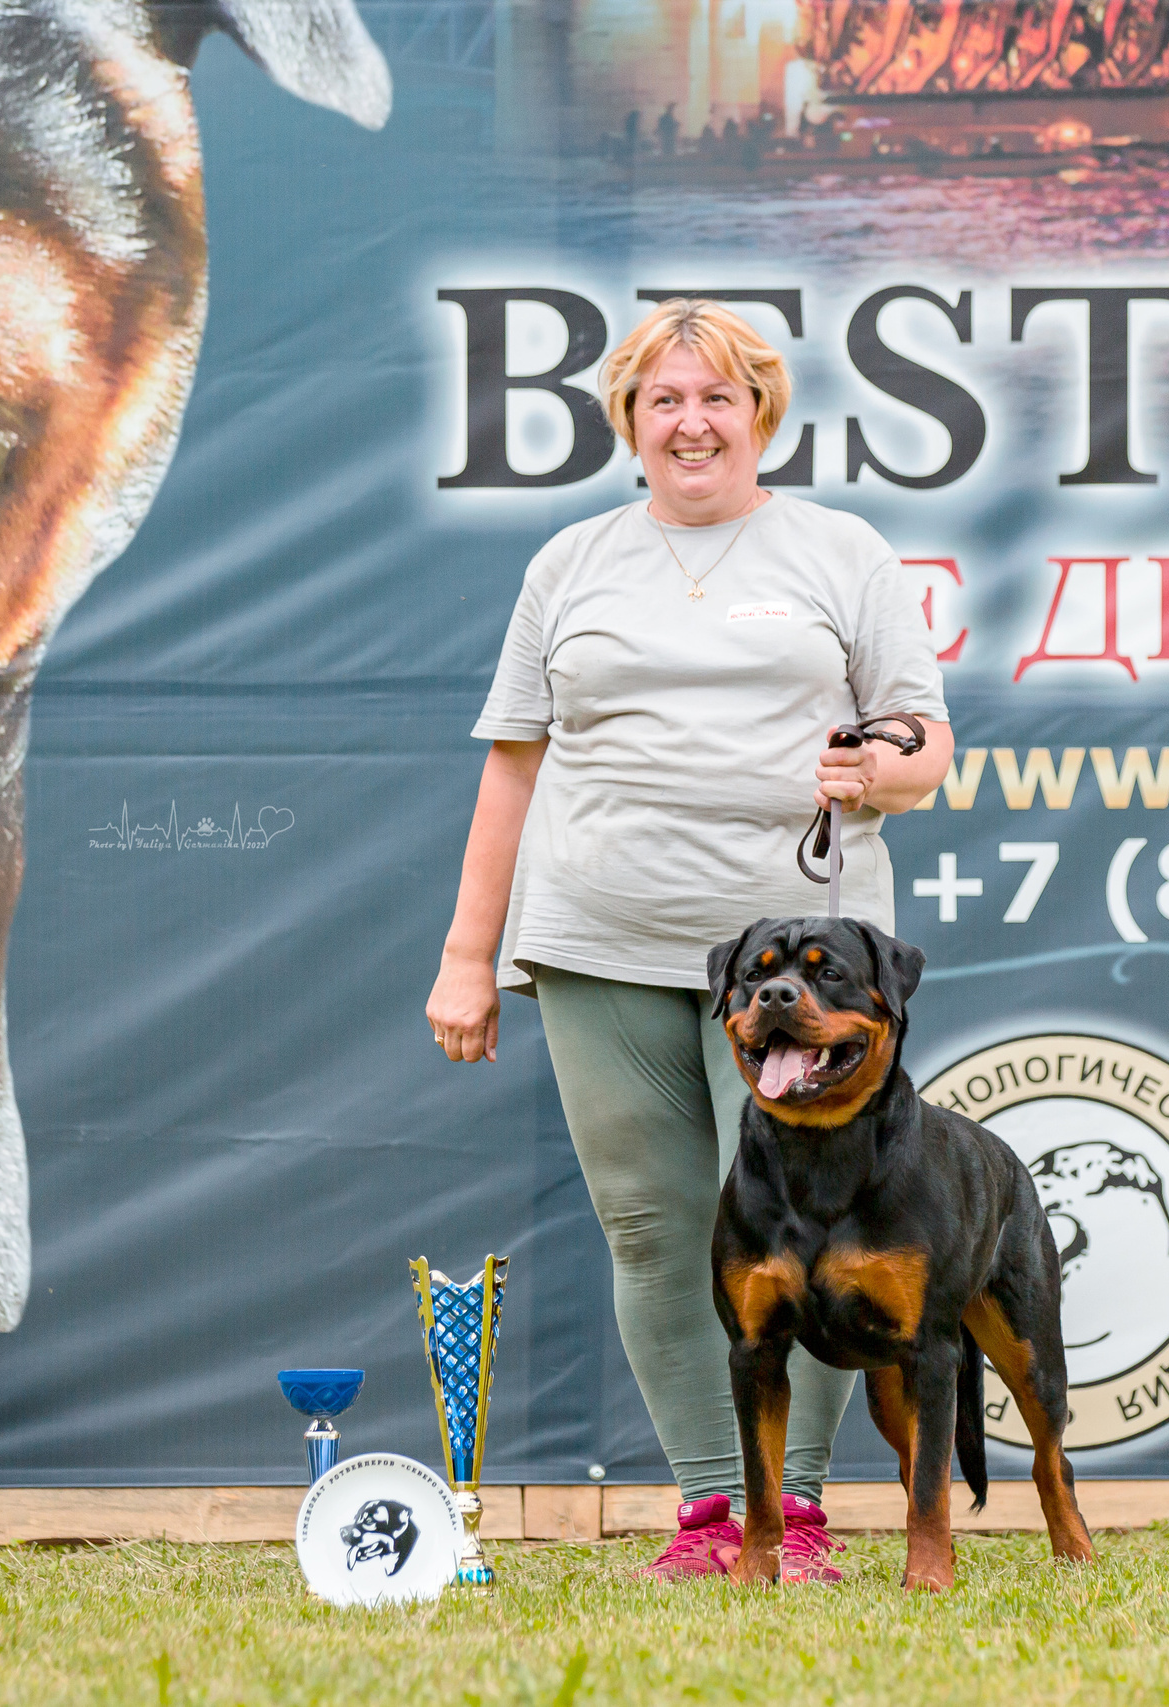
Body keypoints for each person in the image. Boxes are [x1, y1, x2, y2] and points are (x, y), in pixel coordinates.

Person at [426, 299, 953, 1582]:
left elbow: (927, 746)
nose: (691, 421)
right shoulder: (569, 565)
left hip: (807, 978)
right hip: (598, 946)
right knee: (657, 1231)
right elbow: (511, 771)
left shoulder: (840, 551)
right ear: (627, 422)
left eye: (717, 397)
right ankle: (717, 1513)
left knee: (807, 1244)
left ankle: (803, 1514)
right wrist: (467, 955)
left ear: (761, 413)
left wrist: (873, 774)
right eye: (663, 400)